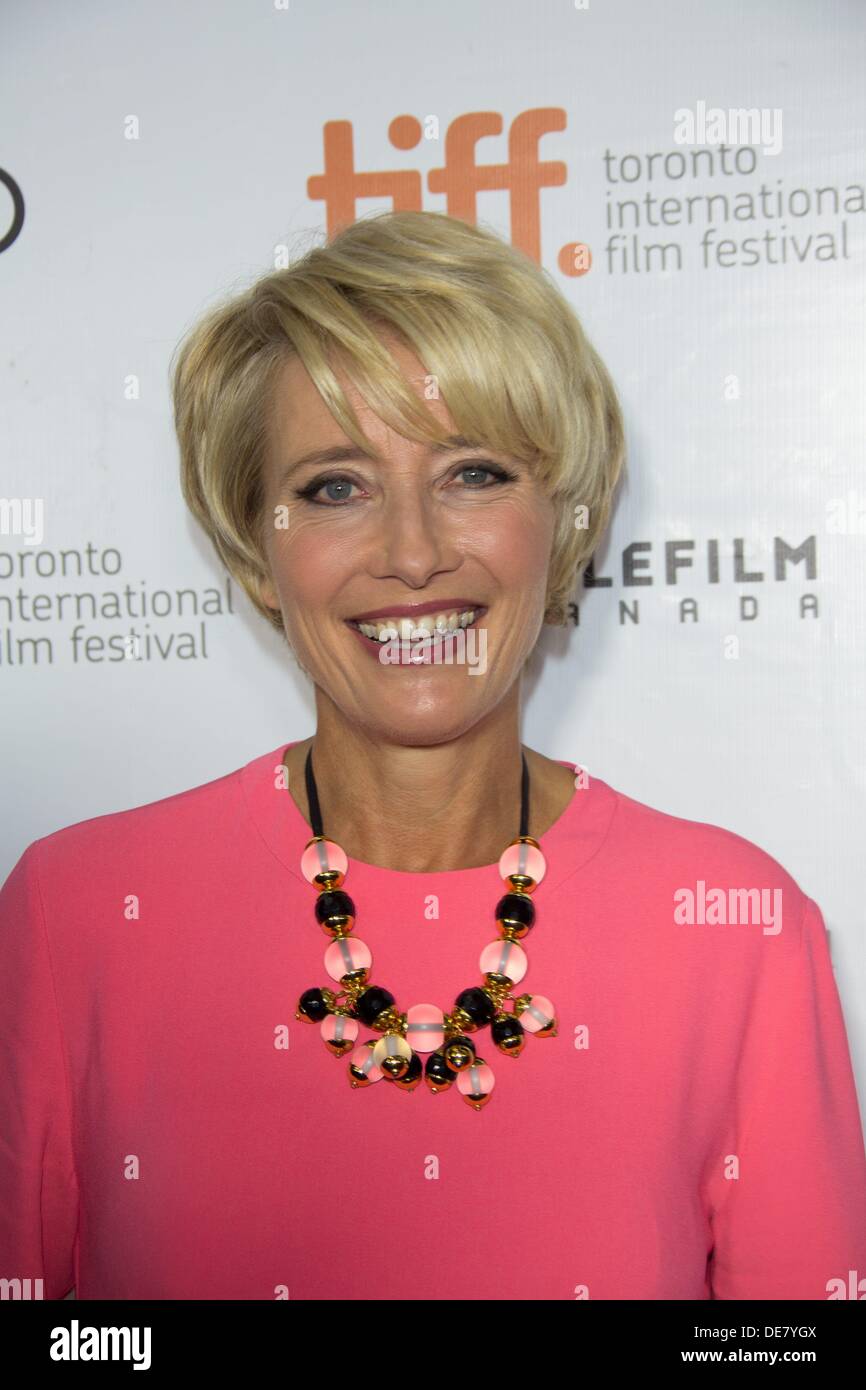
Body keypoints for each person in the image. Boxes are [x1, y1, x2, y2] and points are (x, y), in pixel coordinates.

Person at [1, 210, 865, 1300]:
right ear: (253, 550)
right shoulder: (77, 911)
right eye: (334, 487)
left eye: (472, 473)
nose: (412, 552)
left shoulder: (733, 926)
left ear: (561, 521)